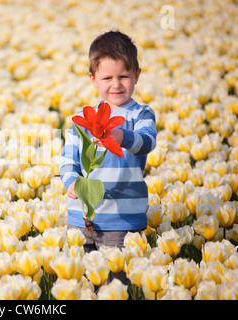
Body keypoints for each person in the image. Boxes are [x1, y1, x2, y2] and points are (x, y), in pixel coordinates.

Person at [59, 30, 157, 283]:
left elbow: (147, 143)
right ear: (93, 79)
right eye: (107, 77)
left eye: (124, 76)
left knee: (116, 283)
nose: (116, 84)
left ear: (137, 75)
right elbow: (69, 158)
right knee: (77, 283)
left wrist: (123, 136)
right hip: (80, 217)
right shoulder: (84, 118)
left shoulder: (141, 114)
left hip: (121, 218)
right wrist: (70, 182)